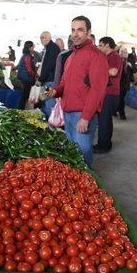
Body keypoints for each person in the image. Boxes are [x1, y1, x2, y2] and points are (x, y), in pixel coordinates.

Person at [47, 16, 108, 167]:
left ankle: (86, 185)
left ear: (89, 32)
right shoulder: (71, 56)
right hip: (67, 112)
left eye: (80, 30)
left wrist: (86, 117)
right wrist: (55, 91)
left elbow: (98, 89)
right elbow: (64, 83)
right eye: (73, 30)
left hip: (81, 115)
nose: (75, 34)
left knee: (82, 154)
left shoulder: (96, 56)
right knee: (72, 154)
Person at [94, 36, 123, 153]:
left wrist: (96, 71)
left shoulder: (114, 56)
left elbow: (113, 71)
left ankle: (103, 146)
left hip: (110, 93)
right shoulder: (106, 56)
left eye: (101, 45)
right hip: (106, 92)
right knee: (104, 120)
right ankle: (105, 143)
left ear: (107, 45)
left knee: (104, 120)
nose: (99, 47)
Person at [38, 31, 60, 118]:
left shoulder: (53, 48)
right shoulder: (49, 48)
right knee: (46, 101)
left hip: (50, 82)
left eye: (43, 37)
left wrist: (40, 79)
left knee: (49, 104)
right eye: (40, 38)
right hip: (48, 81)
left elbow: (49, 66)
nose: (41, 40)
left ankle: (52, 125)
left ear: (49, 38)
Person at [116, 48, 136, 120]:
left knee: (121, 98)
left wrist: (131, 65)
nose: (124, 53)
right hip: (117, 82)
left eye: (125, 52)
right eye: (122, 52)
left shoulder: (130, 61)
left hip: (125, 83)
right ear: (119, 53)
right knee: (119, 99)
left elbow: (135, 70)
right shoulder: (117, 60)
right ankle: (120, 112)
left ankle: (120, 112)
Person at [17, 40, 37, 110]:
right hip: (26, 80)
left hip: (23, 79)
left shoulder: (24, 55)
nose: (33, 47)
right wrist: (36, 75)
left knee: (23, 97)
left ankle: (20, 110)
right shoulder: (27, 56)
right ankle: (21, 111)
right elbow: (29, 70)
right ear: (29, 48)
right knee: (24, 97)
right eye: (32, 46)